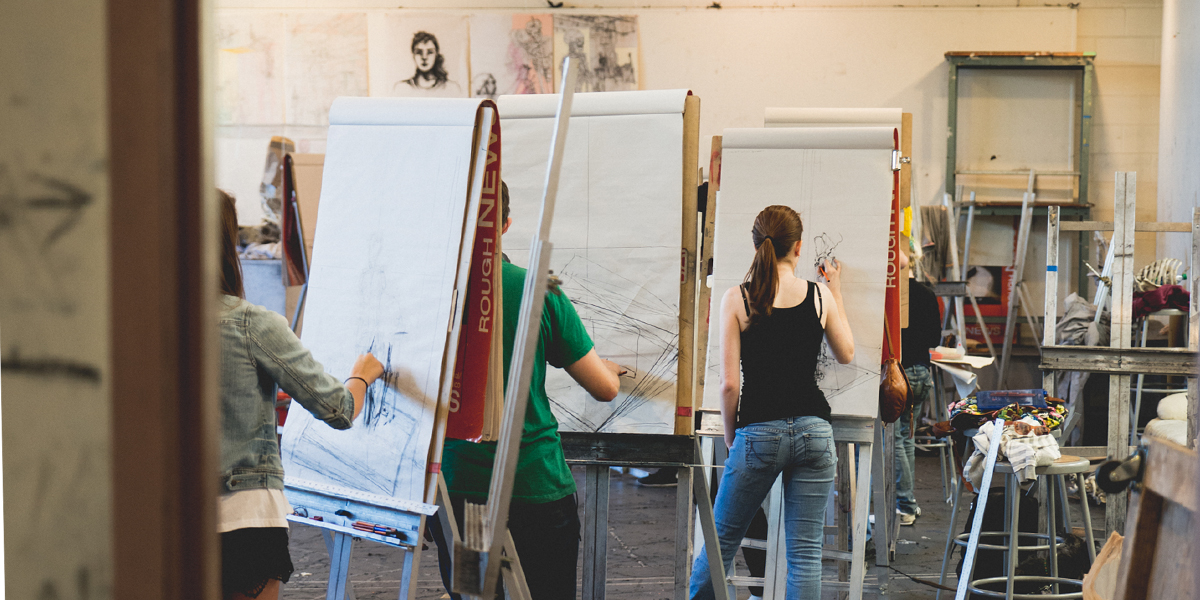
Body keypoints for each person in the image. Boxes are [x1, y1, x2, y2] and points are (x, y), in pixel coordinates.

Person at [431, 182, 626, 600]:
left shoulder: (431, 292)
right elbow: (604, 388)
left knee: (474, 593)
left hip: (460, 489)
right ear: (505, 224)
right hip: (534, 487)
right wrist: (607, 368)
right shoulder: (539, 289)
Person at [216, 190, 386, 600]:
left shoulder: (136, 322)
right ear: (226, 244)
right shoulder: (250, 324)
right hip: (245, 520)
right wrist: (362, 375)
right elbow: (338, 409)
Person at [689, 204, 855, 599]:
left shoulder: (737, 299)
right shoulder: (819, 297)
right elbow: (846, 352)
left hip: (759, 432)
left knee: (721, 543)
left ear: (755, 246)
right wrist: (835, 289)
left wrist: (733, 440)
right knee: (805, 555)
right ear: (798, 248)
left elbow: (729, 385)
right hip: (815, 432)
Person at [894, 249, 942, 525]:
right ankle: (907, 504)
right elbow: (934, 338)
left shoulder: (890, 297)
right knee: (906, 438)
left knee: (898, 440)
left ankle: (906, 506)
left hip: (898, 375)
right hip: (920, 374)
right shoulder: (927, 294)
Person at [396, 31, 461, 94]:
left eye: (430, 52)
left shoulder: (451, 88)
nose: (424, 57)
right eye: (419, 52)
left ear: (436, 55)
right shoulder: (402, 88)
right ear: (413, 55)